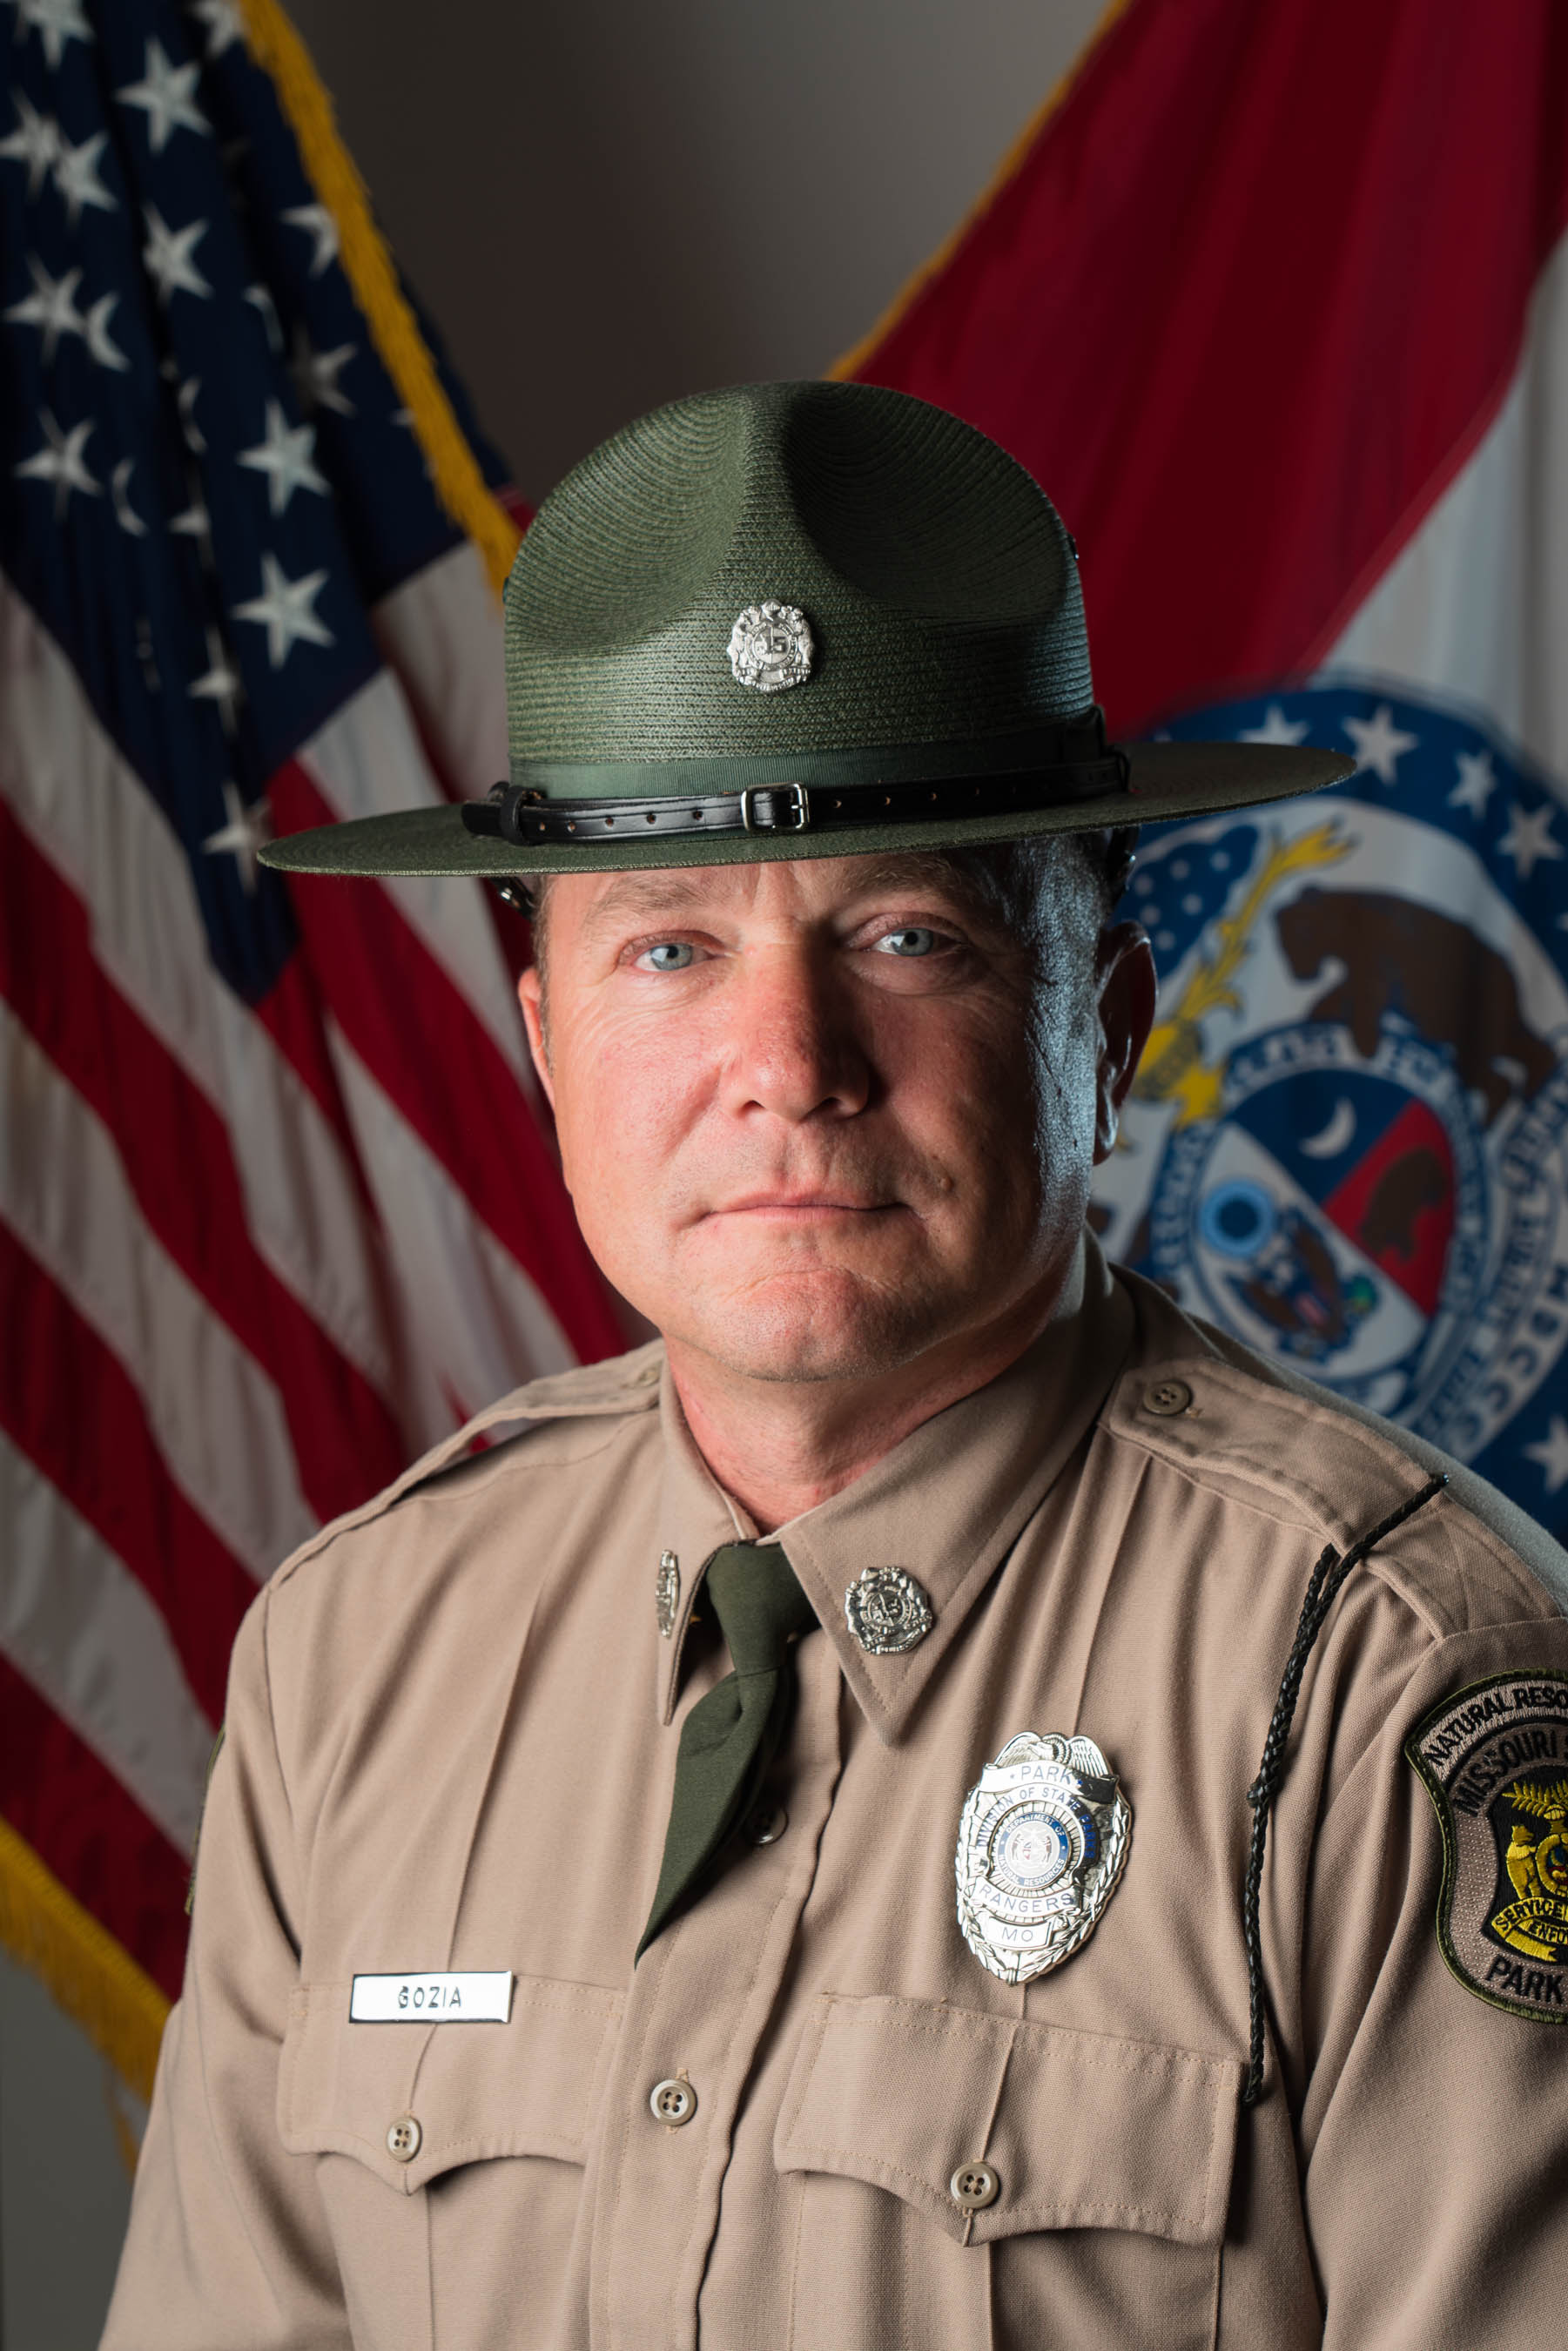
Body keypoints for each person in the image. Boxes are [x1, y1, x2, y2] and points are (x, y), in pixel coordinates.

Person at [104, 382, 1568, 2350]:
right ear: (542, 1035)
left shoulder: (1395, 1686)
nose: (788, 1065)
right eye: (668, 950)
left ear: (1106, 1019)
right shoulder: (362, 1656)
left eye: (905, 936)